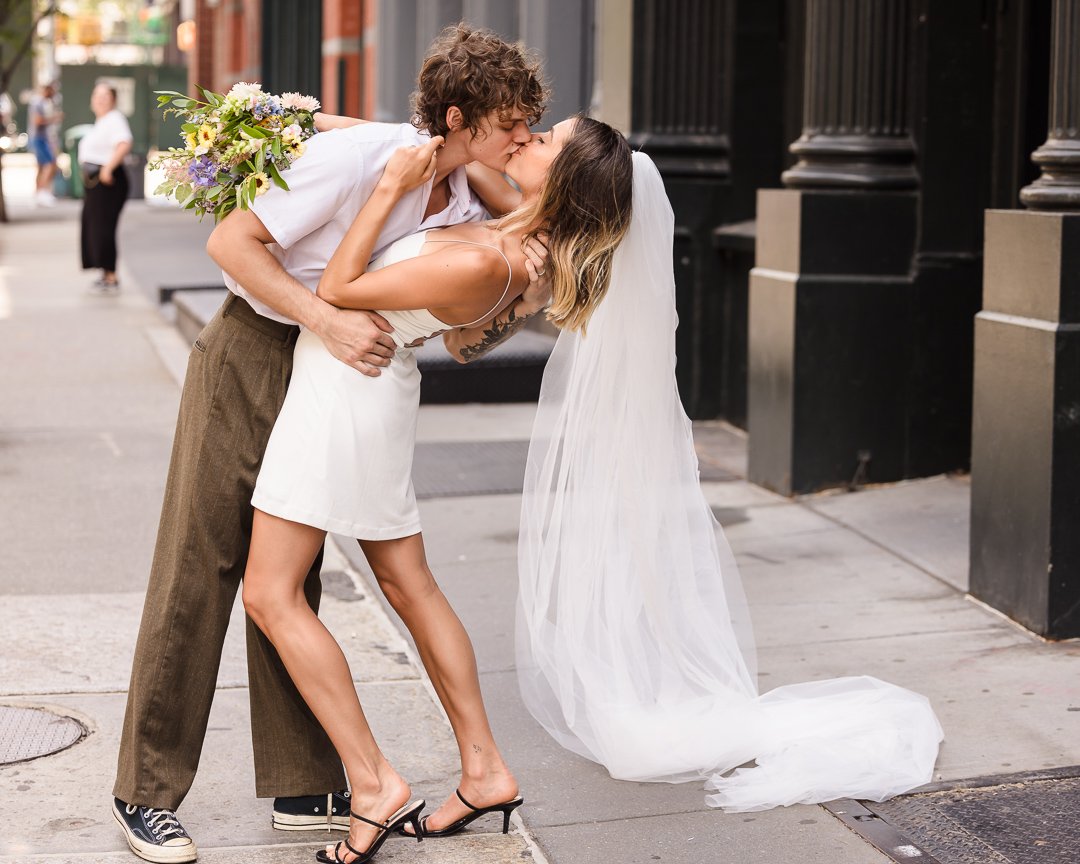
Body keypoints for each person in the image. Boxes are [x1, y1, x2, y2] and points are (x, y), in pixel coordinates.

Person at [111, 24, 548, 864]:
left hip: (339, 376)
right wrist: (328, 320)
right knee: (202, 562)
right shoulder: (362, 166)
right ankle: (146, 793)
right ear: (459, 118)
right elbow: (230, 244)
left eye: (529, 127)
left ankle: (304, 782)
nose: (520, 139)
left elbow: (508, 267)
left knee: (295, 577)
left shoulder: (465, 190)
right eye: (509, 125)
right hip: (254, 349)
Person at [240, 114, 633, 864]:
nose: (529, 138)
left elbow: (339, 288)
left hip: (344, 391)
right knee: (409, 584)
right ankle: (484, 770)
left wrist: (388, 188)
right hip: (368, 385)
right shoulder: (513, 228)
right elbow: (440, 138)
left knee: (270, 593)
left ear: (565, 182)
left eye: (546, 140)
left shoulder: (497, 262)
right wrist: (303, 116)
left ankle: (373, 783)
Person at [514, 150, 945, 811]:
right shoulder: (607, 250)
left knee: (626, 556)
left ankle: (644, 675)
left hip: (624, 420)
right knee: (622, 554)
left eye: (547, 136)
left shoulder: (610, 234)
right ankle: (640, 668)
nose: (534, 138)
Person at [79, 83, 132, 294]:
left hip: (108, 180)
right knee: (93, 226)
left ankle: (111, 276)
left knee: (103, 227)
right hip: (95, 183)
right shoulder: (101, 122)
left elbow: (124, 143)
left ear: (113, 100)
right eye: (97, 95)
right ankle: (104, 272)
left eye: (105, 96)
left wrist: (108, 169)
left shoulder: (115, 119)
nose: (100, 99)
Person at [28, 81, 62, 207]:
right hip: (38, 138)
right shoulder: (38, 102)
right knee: (50, 164)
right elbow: (37, 121)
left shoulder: (43, 102)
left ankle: (38, 194)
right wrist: (55, 118)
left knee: (41, 167)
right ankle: (42, 193)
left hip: (40, 138)